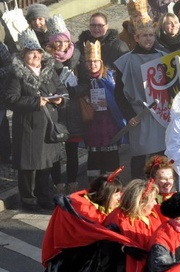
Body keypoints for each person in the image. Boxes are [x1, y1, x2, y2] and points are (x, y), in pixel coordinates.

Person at [7, 29, 66, 212]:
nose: (35, 56)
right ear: (24, 56)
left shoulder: (49, 70)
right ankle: (28, 199)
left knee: (45, 165)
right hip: (28, 127)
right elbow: (10, 99)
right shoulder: (16, 74)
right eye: (31, 53)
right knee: (29, 167)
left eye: (38, 53)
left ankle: (44, 196)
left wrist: (60, 99)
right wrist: (34, 102)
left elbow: (62, 88)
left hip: (47, 125)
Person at [113, 8, 166, 181]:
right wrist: (129, 116)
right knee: (139, 155)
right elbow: (119, 93)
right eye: (144, 35)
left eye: (151, 35)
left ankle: (159, 188)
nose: (148, 38)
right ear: (136, 38)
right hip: (138, 114)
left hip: (160, 114)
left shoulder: (164, 58)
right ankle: (137, 189)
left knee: (160, 155)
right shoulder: (125, 61)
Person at [46, 15, 84, 196]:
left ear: (68, 41)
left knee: (72, 150)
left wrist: (73, 91)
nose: (60, 45)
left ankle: (72, 181)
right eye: (56, 42)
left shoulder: (78, 58)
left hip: (74, 109)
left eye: (63, 41)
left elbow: (85, 83)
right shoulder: (46, 60)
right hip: (54, 110)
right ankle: (58, 183)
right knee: (55, 151)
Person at [80, 40, 124, 177]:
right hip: (92, 126)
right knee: (94, 160)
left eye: (95, 61)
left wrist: (109, 103)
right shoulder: (81, 79)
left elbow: (120, 98)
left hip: (109, 125)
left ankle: (113, 191)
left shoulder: (110, 77)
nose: (92, 64)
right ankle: (95, 191)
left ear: (101, 62)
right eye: (89, 62)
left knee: (111, 159)